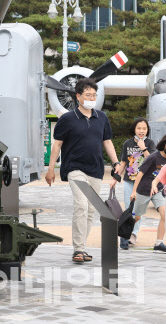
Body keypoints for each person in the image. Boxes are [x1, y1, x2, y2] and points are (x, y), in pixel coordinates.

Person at [45, 77, 120, 264]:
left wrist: (116, 162)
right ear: (78, 96)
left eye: (94, 95)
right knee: (81, 205)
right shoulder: (67, 119)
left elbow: (107, 142)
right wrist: (51, 168)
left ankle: (82, 247)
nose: (92, 98)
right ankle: (78, 249)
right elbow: (57, 145)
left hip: (96, 169)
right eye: (88, 95)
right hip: (74, 168)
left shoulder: (101, 117)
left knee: (90, 211)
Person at [109, 118, 156, 249]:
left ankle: (133, 234)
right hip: (129, 181)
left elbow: (152, 161)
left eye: (144, 128)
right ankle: (126, 235)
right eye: (139, 128)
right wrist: (115, 179)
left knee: (137, 211)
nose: (141, 131)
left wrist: (143, 148)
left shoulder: (151, 143)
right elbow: (123, 163)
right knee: (128, 209)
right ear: (134, 129)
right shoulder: (127, 143)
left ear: (147, 130)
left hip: (143, 182)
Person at [129, 133, 166, 252]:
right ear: (164, 144)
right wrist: (134, 191)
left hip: (158, 190)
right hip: (144, 190)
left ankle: (158, 243)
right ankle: (124, 235)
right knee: (136, 217)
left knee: (165, 214)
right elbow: (140, 173)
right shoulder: (153, 157)